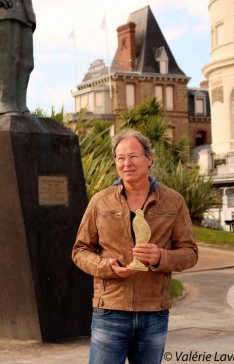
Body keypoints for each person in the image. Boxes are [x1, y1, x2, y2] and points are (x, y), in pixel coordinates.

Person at [72, 130, 198, 364]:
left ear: (149, 159)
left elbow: (190, 253)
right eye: (120, 158)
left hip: (154, 312)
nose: (126, 163)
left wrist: (161, 257)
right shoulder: (100, 201)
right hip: (109, 310)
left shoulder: (173, 201)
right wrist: (105, 266)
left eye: (133, 156)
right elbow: (80, 251)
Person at [0, 0, 37, 114]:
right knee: (9, 58)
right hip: (6, 11)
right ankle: (5, 102)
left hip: (25, 14)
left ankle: (20, 103)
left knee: (27, 62)